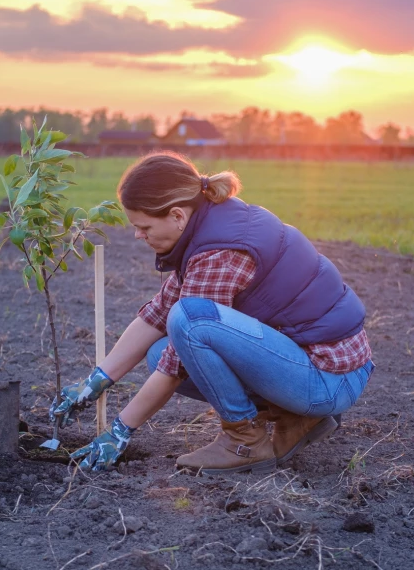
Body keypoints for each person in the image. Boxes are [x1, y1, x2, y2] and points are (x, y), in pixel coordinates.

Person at [50, 151, 374, 475]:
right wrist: (95, 382)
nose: (138, 235)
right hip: (310, 365)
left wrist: (120, 431)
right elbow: (158, 313)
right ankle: (296, 417)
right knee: (158, 351)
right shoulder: (208, 225)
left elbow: (179, 352)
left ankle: (245, 441)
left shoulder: (219, 251)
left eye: (144, 226)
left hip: (329, 379)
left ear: (177, 215)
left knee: (188, 322)